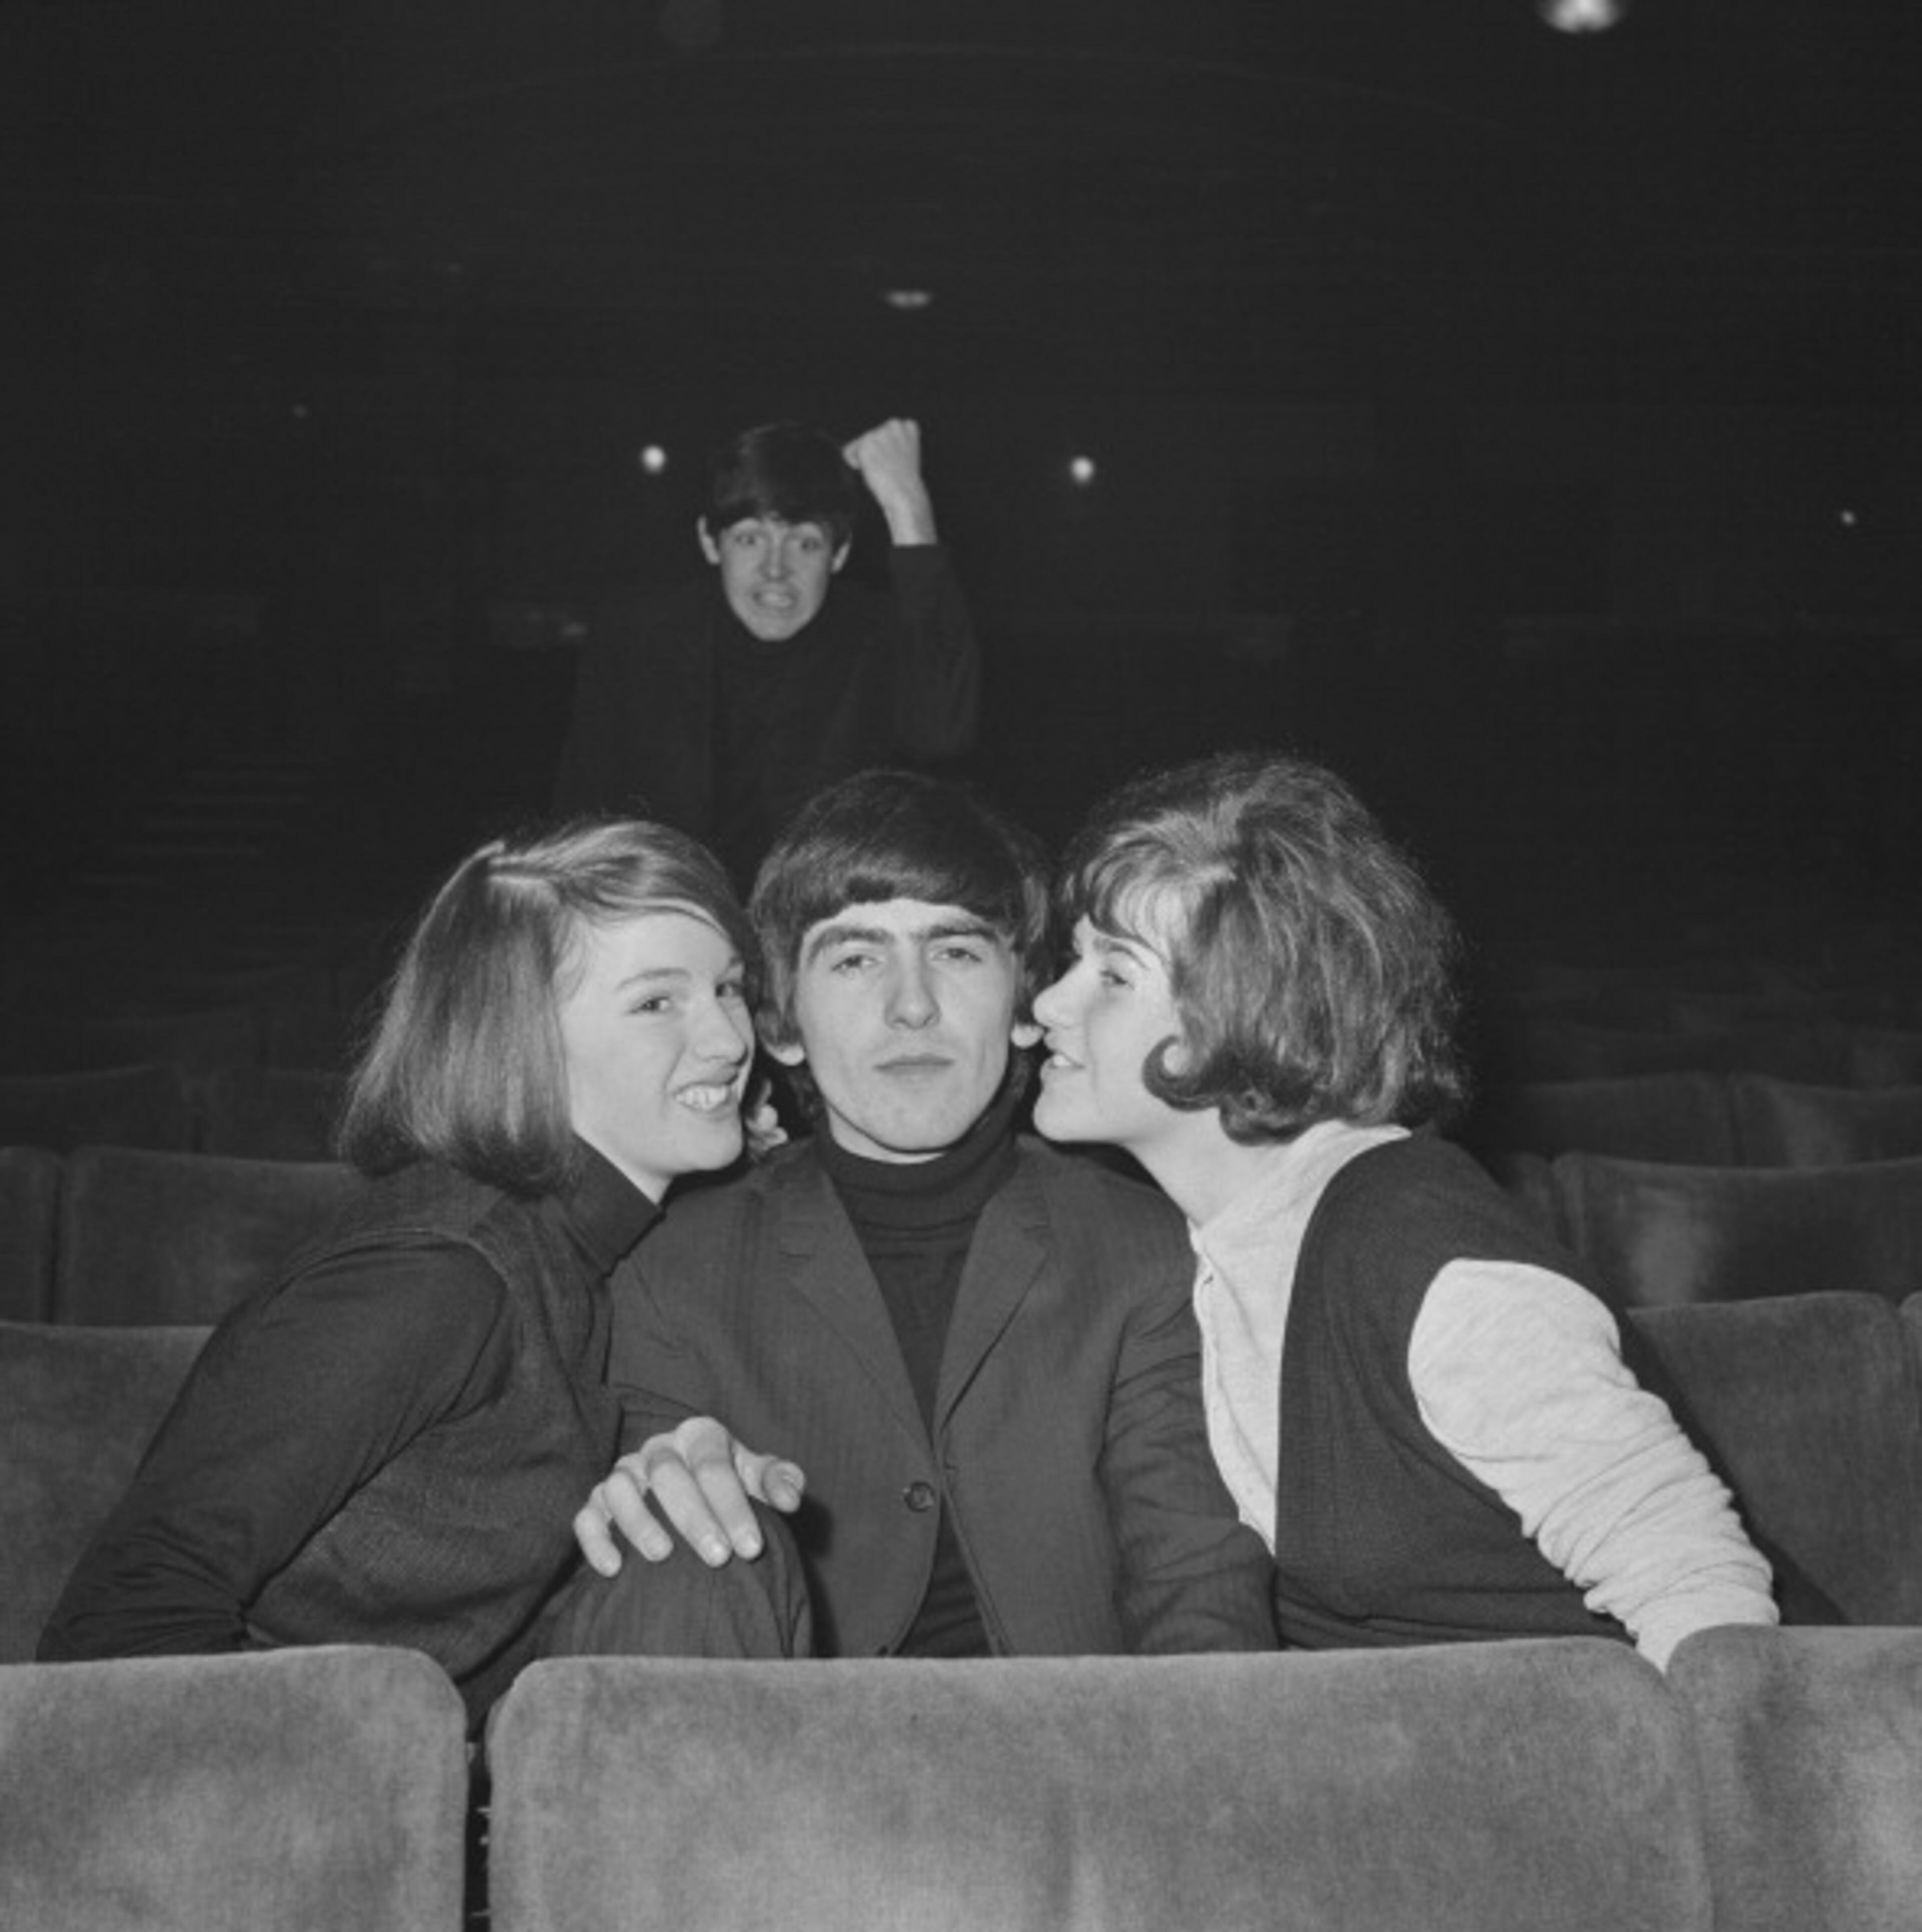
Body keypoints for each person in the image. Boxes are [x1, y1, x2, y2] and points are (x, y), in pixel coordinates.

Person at [1028, 747, 1778, 1670]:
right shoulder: (1217, 1240)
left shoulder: (1426, 1261)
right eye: (1074, 957)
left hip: (1608, 1779)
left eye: (1113, 973)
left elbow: (1709, 1608)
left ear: (1249, 1010)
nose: (1048, 1003)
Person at [39, 819, 760, 1724]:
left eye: (729, 986)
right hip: (281, 1800)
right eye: (659, 1001)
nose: (730, 1037)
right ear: (522, 1039)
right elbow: (131, 1612)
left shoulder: (591, 1244)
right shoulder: (441, 1273)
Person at [554, 768, 1276, 1660]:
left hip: (1077, 1764)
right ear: (781, 1026)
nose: (912, 1005)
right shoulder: (672, 1269)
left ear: (1026, 1004)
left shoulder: (1142, 1246)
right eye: (856, 958)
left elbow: (1196, 1584)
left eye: (958, 952)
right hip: (784, 1769)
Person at [552, 417, 980, 887]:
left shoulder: (874, 635)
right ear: (709, 542)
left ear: (839, 555)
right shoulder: (638, 635)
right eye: (750, 538)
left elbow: (943, 733)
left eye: (805, 543)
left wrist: (908, 504)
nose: (776, 570)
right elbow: (582, 816)